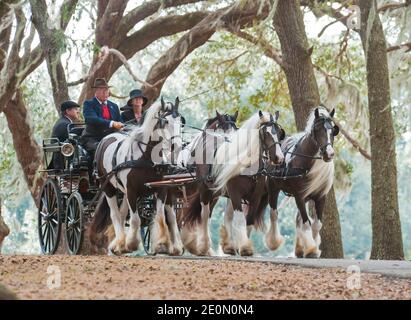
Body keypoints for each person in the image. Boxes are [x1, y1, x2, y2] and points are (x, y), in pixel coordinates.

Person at [80, 78, 123, 155]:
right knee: (102, 149)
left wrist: (122, 126)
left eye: (106, 90)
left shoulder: (114, 106)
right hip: (93, 138)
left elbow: (120, 121)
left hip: (112, 138)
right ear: (95, 91)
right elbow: (92, 119)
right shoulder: (88, 104)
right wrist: (112, 123)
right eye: (102, 90)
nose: (105, 93)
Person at [51, 100, 81, 170]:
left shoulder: (63, 121)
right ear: (68, 111)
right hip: (63, 160)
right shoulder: (65, 124)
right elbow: (73, 140)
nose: (78, 111)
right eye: (75, 109)